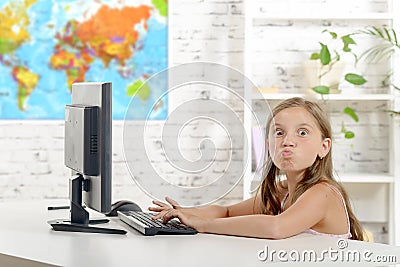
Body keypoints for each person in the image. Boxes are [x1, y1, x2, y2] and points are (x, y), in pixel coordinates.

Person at [149, 97, 365, 240]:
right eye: (279, 132)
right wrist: (184, 213)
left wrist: (202, 224)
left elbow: (276, 227)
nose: (288, 141)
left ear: (324, 147)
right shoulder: (281, 191)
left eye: (302, 133)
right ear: (269, 144)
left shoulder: (323, 193)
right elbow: (227, 212)